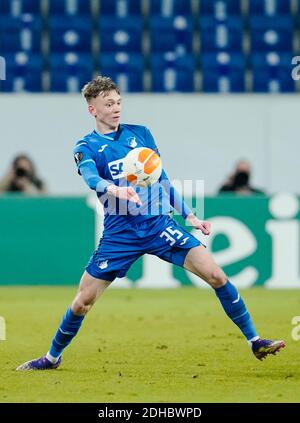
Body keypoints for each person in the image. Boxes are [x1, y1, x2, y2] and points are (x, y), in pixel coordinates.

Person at [17, 76, 284, 371]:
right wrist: (114, 189)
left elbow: (163, 179)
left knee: (216, 276)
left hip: (158, 225)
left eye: (119, 102)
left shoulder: (141, 134)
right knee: (83, 302)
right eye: (109, 104)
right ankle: (52, 358)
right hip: (121, 234)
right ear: (92, 109)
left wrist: (189, 215)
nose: (116, 108)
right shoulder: (86, 146)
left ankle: (255, 340)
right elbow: (91, 176)